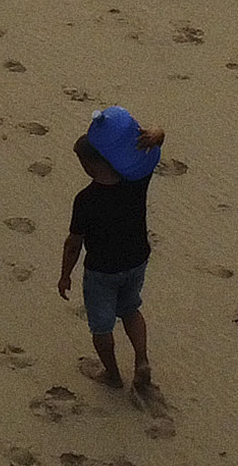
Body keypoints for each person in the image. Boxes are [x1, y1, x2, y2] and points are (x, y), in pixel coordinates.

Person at [55, 106, 167, 400]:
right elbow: (157, 139)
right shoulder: (136, 181)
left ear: (90, 166)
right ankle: (141, 359)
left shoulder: (85, 200)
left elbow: (73, 242)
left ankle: (112, 374)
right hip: (136, 260)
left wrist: (65, 275)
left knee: (101, 326)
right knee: (131, 310)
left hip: (102, 272)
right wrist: (156, 133)